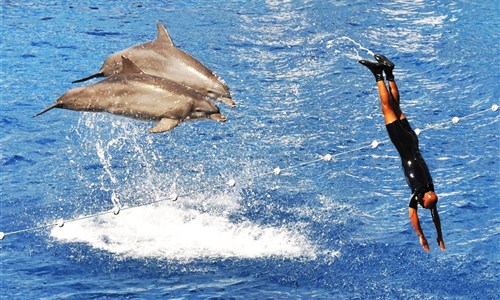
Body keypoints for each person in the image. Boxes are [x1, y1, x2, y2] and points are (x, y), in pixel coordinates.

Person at [359, 54, 446, 252]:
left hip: (413, 140)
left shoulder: (430, 187)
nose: (423, 206)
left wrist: (439, 235)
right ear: (425, 198)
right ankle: (378, 75)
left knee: (396, 108)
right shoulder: (418, 193)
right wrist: (422, 237)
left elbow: (434, 213)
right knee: (386, 108)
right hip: (403, 144)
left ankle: (389, 72)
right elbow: (413, 216)